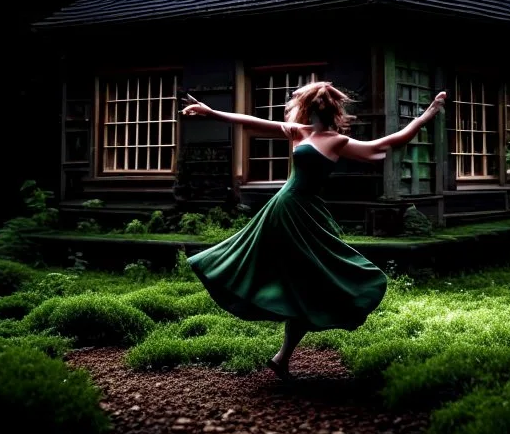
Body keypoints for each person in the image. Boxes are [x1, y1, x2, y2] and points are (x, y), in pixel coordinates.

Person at [179, 81, 447, 381]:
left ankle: (282, 358)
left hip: (306, 213)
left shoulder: (336, 141)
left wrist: (427, 115)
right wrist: (211, 112)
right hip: (285, 209)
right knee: (298, 279)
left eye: (321, 104)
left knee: (308, 281)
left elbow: (386, 144)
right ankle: (280, 351)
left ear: (328, 110)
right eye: (315, 103)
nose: (317, 108)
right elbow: (252, 123)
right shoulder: (300, 132)